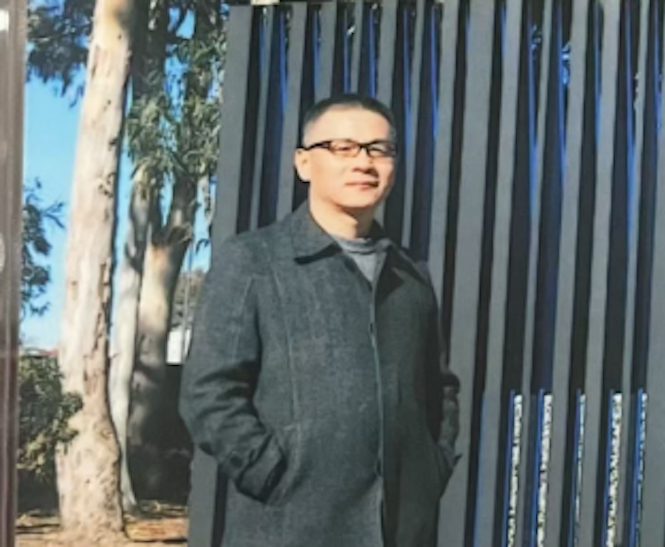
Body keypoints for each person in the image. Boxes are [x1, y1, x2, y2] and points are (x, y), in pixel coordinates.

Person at [180, 94, 460, 547]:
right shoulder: (254, 261)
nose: (363, 162)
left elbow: (438, 388)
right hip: (289, 527)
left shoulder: (410, 276)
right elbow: (209, 392)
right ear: (304, 163)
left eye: (379, 149)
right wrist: (272, 474)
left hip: (402, 531)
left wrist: (432, 468)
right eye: (343, 148)